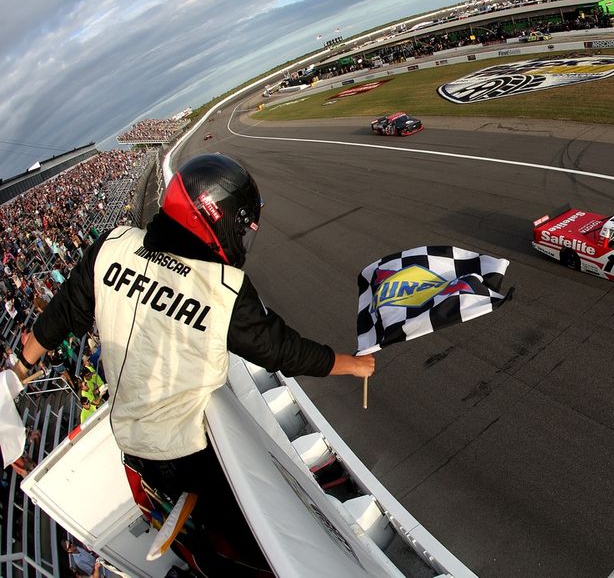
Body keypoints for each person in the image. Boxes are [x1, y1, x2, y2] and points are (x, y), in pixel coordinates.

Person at [14, 154, 375, 575]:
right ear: (212, 217)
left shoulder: (112, 246)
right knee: (252, 544)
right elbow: (282, 351)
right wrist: (351, 364)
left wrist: (22, 366)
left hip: (129, 440)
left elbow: (59, 317)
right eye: (240, 226)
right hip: (187, 448)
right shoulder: (221, 288)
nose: (242, 237)